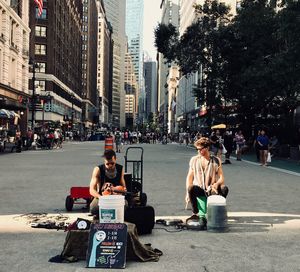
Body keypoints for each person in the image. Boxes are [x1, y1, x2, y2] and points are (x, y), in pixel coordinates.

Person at [185, 137, 229, 230]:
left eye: (201, 149)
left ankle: (215, 210)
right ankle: (196, 213)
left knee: (224, 188)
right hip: (199, 189)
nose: (199, 151)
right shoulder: (194, 160)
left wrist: (216, 184)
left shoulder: (216, 160)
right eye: (197, 149)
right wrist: (187, 194)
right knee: (191, 188)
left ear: (207, 148)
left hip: (211, 189)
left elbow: (222, 178)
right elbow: (189, 177)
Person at [89, 149, 127, 216]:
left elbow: (123, 187)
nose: (110, 166)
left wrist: (121, 191)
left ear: (115, 159)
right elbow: (91, 190)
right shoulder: (98, 169)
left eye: (112, 163)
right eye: (107, 164)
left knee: (125, 205)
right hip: (102, 196)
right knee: (93, 208)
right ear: (104, 161)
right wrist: (100, 198)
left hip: (116, 197)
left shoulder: (120, 168)